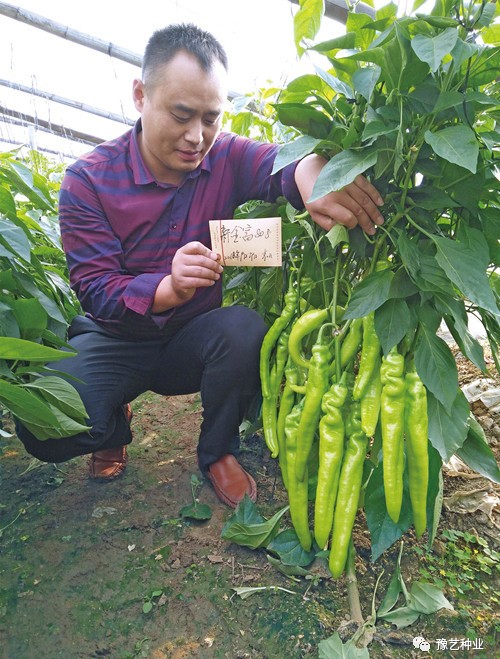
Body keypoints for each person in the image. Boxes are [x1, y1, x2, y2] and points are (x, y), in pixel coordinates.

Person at [16, 23, 384, 508]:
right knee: (44, 425)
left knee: (244, 328)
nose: (197, 136)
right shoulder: (87, 181)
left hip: (191, 340)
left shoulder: (226, 155)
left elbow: (279, 165)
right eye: (182, 114)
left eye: (210, 118)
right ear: (140, 95)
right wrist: (167, 286)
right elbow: (95, 287)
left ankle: (216, 453)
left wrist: (314, 172)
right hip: (115, 338)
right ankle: (112, 423)